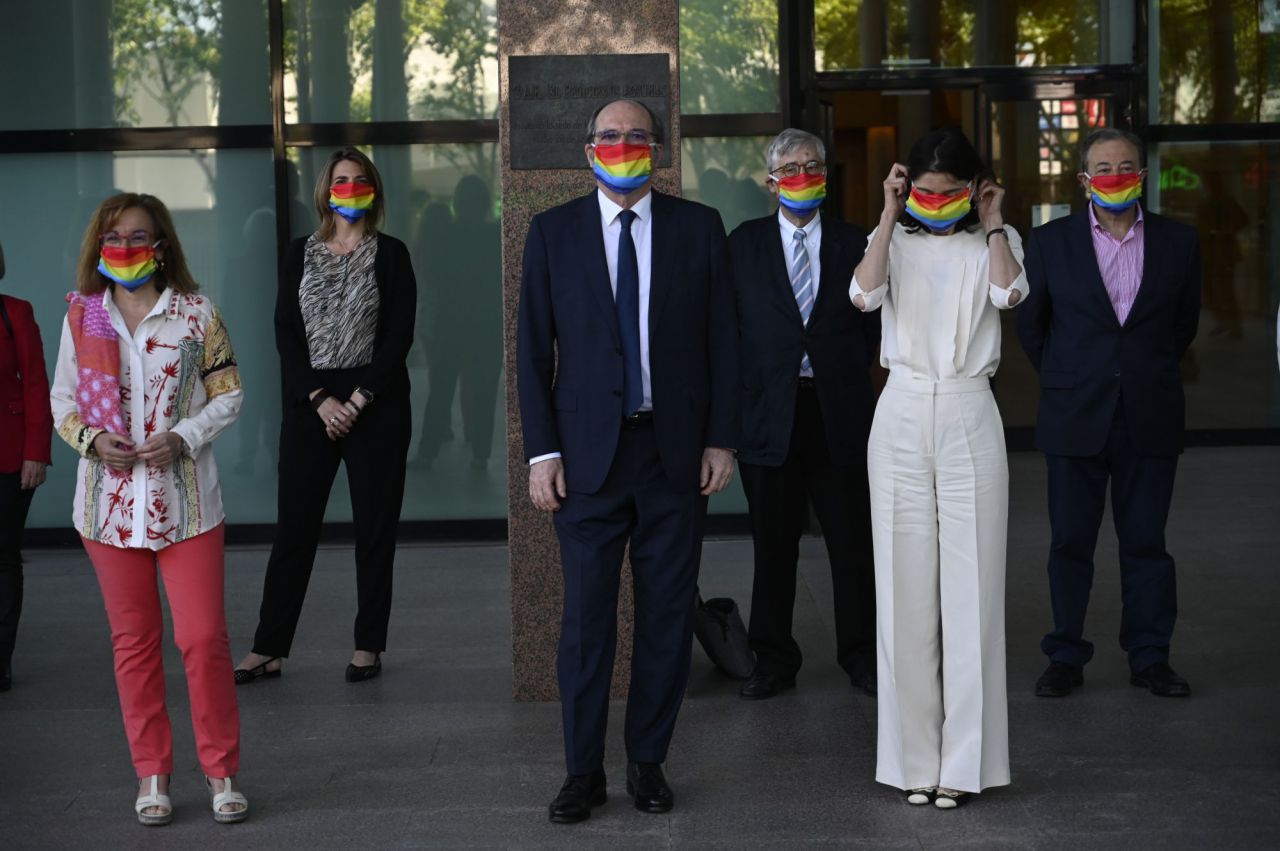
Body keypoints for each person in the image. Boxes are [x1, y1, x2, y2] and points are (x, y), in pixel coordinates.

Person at [517, 99, 738, 823]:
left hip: (674, 454)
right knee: (585, 621)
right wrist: (542, 452)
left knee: (666, 616)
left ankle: (648, 761)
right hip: (585, 461)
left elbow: (722, 343)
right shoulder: (552, 232)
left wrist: (721, 437)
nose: (622, 146)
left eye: (636, 136)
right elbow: (531, 353)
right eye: (609, 136)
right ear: (588, 149)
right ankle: (582, 772)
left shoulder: (698, 228)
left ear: (658, 149)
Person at [49, 192, 248, 825]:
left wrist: (183, 436)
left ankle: (221, 772)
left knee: (202, 639)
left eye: (138, 236)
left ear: (161, 245)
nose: (126, 248)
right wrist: (92, 440)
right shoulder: (84, 318)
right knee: (133, 643)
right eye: (114, 236)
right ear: (98, 246)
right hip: (108, 509)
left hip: (186, 505)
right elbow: (63, 403)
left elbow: (229, 394)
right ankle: (152, 775)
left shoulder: (195, 314)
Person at [849, 127, 1026, 809]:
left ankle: (964, 764)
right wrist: (890, 214)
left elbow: (1011, 298)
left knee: (973, 592)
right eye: (926, 189)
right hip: (897, 414)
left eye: (951, 191)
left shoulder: (996, 243)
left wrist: (993, 221)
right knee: (903, 591)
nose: (937, 200)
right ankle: (910, 762)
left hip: (968, 410)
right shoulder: (889, 240)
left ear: (973, 188)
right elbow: (862, 297)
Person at [1018, 128, 1201, 700]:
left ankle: (1150, 657)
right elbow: (1033, 327)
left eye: (1126, 165)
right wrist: (1076, 376)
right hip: (1075, 414)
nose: (1115, 174)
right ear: (1084, 179)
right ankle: (1066, 656)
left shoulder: (1179, 241)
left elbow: (1181, 327)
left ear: (1142, 176)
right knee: (1070, 543)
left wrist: (1137, 370)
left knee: (1146, 542)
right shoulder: (1048, 243)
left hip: (1150, 411)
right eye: (1103, 166)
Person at [235, 148, 417, 685]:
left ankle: (368, 646)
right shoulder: (299, 253)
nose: (351, 187)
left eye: (361, 180)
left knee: (374, 529)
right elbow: (285, 333)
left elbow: (398, 337)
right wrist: (320, 399)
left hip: (376, 405)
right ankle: (268, 647)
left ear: (374, 190)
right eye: (341, 180)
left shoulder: (393, 254)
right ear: (326, 191)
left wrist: (357, 400)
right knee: (294, 527)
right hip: (311, 404)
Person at [727, 129, 879, 701]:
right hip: (768, 416)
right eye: (789, 169)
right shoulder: (741, 245)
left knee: (851, 543)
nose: (802, 175)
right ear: (770, 184)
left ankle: (861, 655)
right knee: (773, 546)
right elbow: (729, 331)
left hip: (838, 412)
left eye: (812, 165)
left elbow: (871, 330)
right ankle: (773, 660)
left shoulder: (856, 242)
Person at [0, 236, 53, 693]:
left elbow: (37, 383)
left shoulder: (15, 312)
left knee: (2, 557)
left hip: (9, 456)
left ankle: (0, 660)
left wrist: (36, 452)